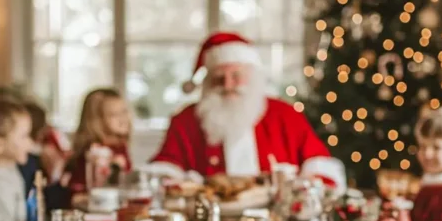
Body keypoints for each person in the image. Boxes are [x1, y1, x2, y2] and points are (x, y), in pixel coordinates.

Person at [146, 32, 346, 189]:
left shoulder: (285, 115)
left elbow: (320, 166)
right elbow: (165, 169)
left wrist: (306, 184)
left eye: (236, 75)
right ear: (207, 82)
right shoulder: (186, 120)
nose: (228, 84)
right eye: (218, 78)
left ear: (252, 75)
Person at [64, 88, 133, 195]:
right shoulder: (95, 152)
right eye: (113, 115)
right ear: (97, 120)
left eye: (124, 111)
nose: (123, 118)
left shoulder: (119, 146)